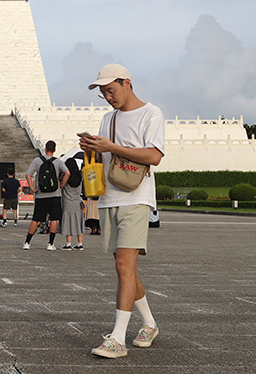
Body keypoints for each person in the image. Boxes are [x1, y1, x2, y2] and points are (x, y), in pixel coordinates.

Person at [80, 64, 165, 358]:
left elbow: (154, 156)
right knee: (125, 267)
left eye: (111, 90)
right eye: (103, 93)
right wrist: (92, 148)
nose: (108, 97)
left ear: (127, 83)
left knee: (123, 266)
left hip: (136, 198)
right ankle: (150, 323)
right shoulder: (109, 119)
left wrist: (112, 146)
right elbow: (105, 158)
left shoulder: (151, 113)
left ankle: (117, 338)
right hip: (109, 199)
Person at [23, 141, 70, 251]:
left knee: (36, 219)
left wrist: (32, 188)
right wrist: (61, 185)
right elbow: (67, 173)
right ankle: (50, 244)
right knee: (54, 219)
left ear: (45, 149)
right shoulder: (58, 162)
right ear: (54, 149)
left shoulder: (37, 160)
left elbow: (28, 174)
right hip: (55, 194)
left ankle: (27, 242)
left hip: (41, 195)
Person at [59, 157, 85, 250]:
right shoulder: (80, 174)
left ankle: (68, 243)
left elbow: (61, 185)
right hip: (77, 200)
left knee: (69, 221)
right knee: (79, 221)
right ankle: (79, 243)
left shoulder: (65, 175)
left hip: (67, 201)